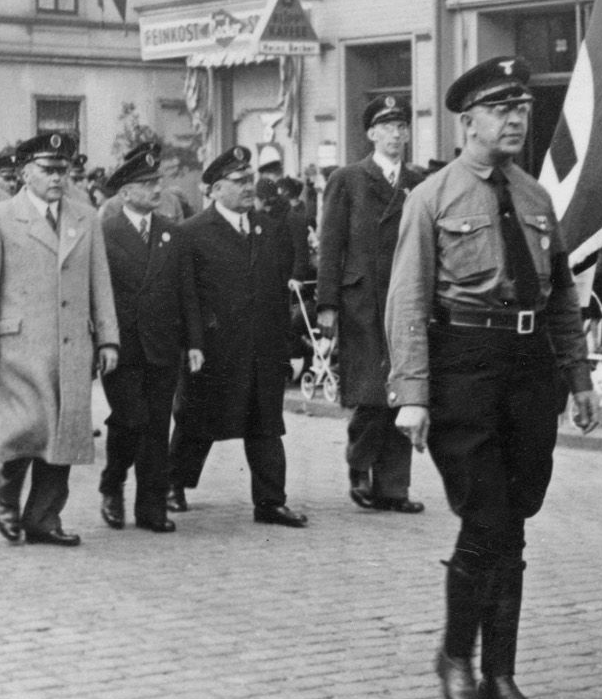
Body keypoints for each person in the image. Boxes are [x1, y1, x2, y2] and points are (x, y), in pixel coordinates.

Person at [385, 56, 598, 699]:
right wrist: (412, 393)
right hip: (464, 370)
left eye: (523, 108)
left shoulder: (536, 197)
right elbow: (408, 299)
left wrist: (581, 375)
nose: (515, 119)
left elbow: (562, 294)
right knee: (488, 519)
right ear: (467, 120)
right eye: (501, 109)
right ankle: (457, 659)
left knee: (515, 521)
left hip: (529, 370)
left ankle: (502, 674)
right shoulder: (433, 197)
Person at [0, 131, 121, 547]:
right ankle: (7, 501)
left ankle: (45, 517)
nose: (57, 178)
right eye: (48, 170)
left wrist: (108, 339)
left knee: (66, 431)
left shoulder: (85, 216)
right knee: (25, 429)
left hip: (72, 344)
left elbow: (98, 281)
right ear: (24, 172)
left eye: (62, 170)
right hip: (19, 346)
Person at [166, 146, 310, 529]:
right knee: (198, 421)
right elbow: (186, 297)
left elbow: (278, 293)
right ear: (214, 190)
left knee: (266, 423)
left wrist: (289, 347)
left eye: (250, 179)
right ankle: (173, 484)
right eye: (239, 181)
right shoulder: (191, 233)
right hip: (214, 349)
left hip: (262, 347)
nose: (249, 187)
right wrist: (193, 343)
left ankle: (270, 502)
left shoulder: (270, 228)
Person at [316, 93, 428, 513]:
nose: (396, 135)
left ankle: (393, 489)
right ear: (371, 134)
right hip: (363, 299)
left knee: (405, 388)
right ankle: (359, 465)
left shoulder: (417, 181)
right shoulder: (348, 179)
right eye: (387, 127)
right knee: (369, 392)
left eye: (402, 127)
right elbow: (331, 244)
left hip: (406, 298)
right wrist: (327, 302)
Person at [96, 142, 189, 534]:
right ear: (125, 192)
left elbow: (187, 293)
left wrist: (194, 342)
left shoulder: (172, 233)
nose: (156, 189)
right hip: (122, 346)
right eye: (146, 183)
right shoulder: (104, 232)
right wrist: (102, 341)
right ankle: (113, 483)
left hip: (162, 345)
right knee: (129, 420)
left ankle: (151, 508)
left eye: (158, 181)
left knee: (156, 427)